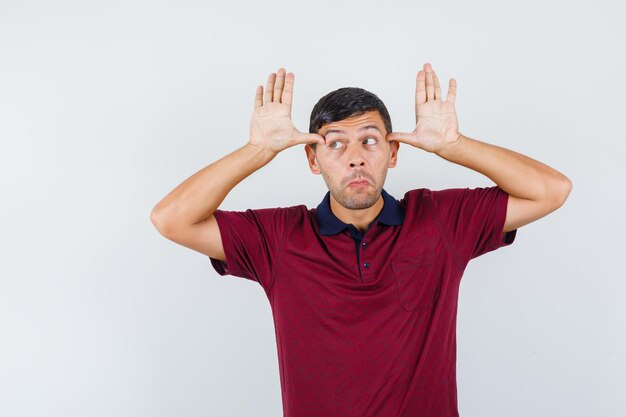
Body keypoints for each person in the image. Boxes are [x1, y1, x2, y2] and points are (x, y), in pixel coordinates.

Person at [150, 63, 572, 417]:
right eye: (335, 144)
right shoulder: (278, 238)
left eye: (370, 140)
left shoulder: (441, 220)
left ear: (392, 153)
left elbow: (551, 190)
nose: (355, 157)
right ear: (313, 159)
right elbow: (171, 219)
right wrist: (258, 150)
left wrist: (455, 146)